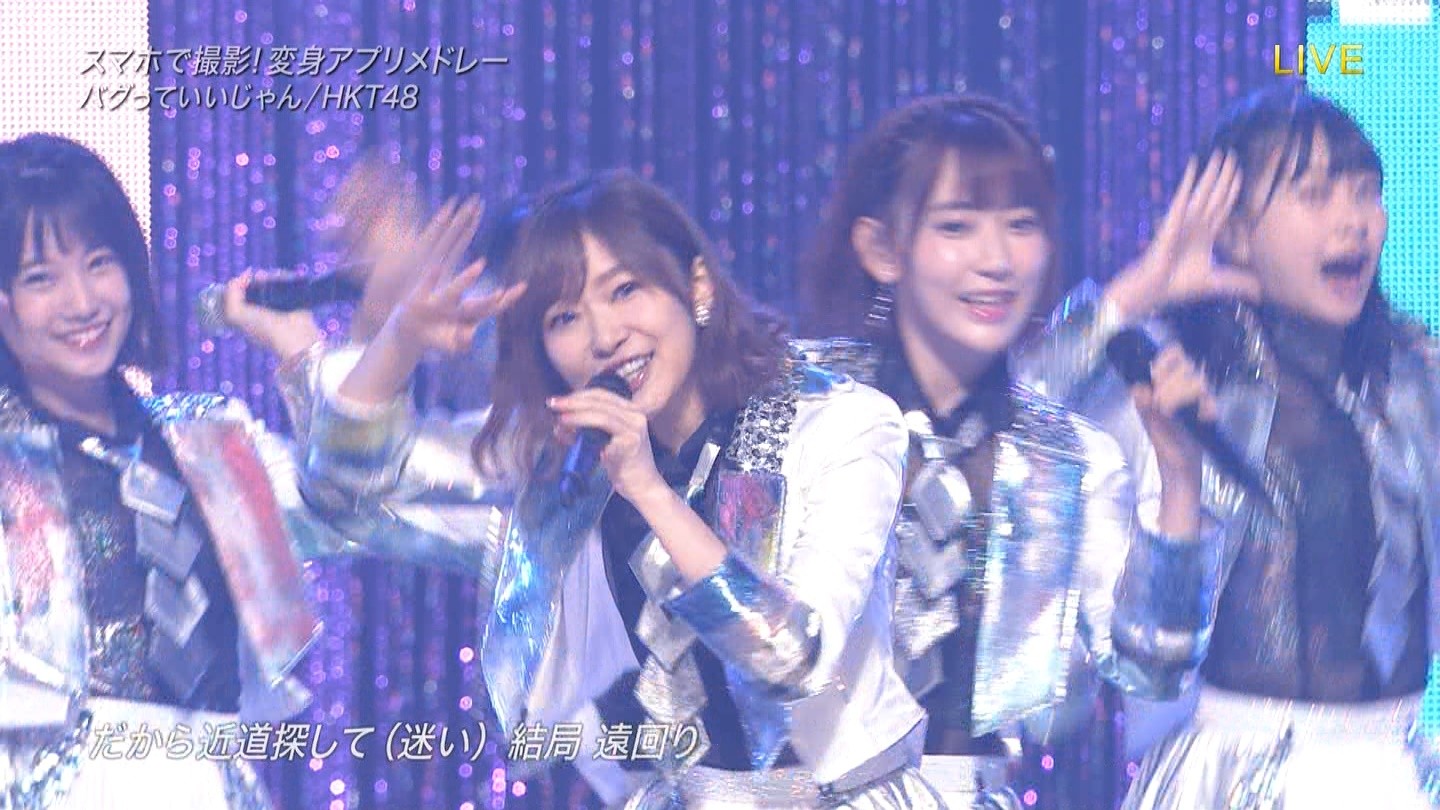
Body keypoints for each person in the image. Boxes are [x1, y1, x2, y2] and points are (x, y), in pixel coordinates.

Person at [298, 170, 946, 807]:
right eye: (564, 317)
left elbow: (791, 658)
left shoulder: (839, 424)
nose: (605, 337)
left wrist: (650, 492)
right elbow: (346, 499)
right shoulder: (566, 466)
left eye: (625, 290)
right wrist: (398, 338)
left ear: (696, 284)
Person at [797, 94, 1228, 808]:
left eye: (1021, 225)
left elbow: (1154, 668)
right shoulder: (801, 409)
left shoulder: (1065, 456)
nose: (996, 260)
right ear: (881, 249)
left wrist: (1182, 480)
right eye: (957, 226)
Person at [1020, 85, 1440, 808]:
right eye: (1314, 195)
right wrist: (1137, 292)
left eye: (1365, 192)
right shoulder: (1169, 376)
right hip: (1227, 770)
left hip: (1392, 767)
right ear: (1237, 234)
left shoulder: (1416, 378)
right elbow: (1014, 416)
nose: (1353, 221)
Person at [0, 133, 335, 808]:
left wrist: (304, 354)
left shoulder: (212, 438)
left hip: (213, 778)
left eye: (99, 263)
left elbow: (348, 505)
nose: (82, 301)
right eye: (41, 278)